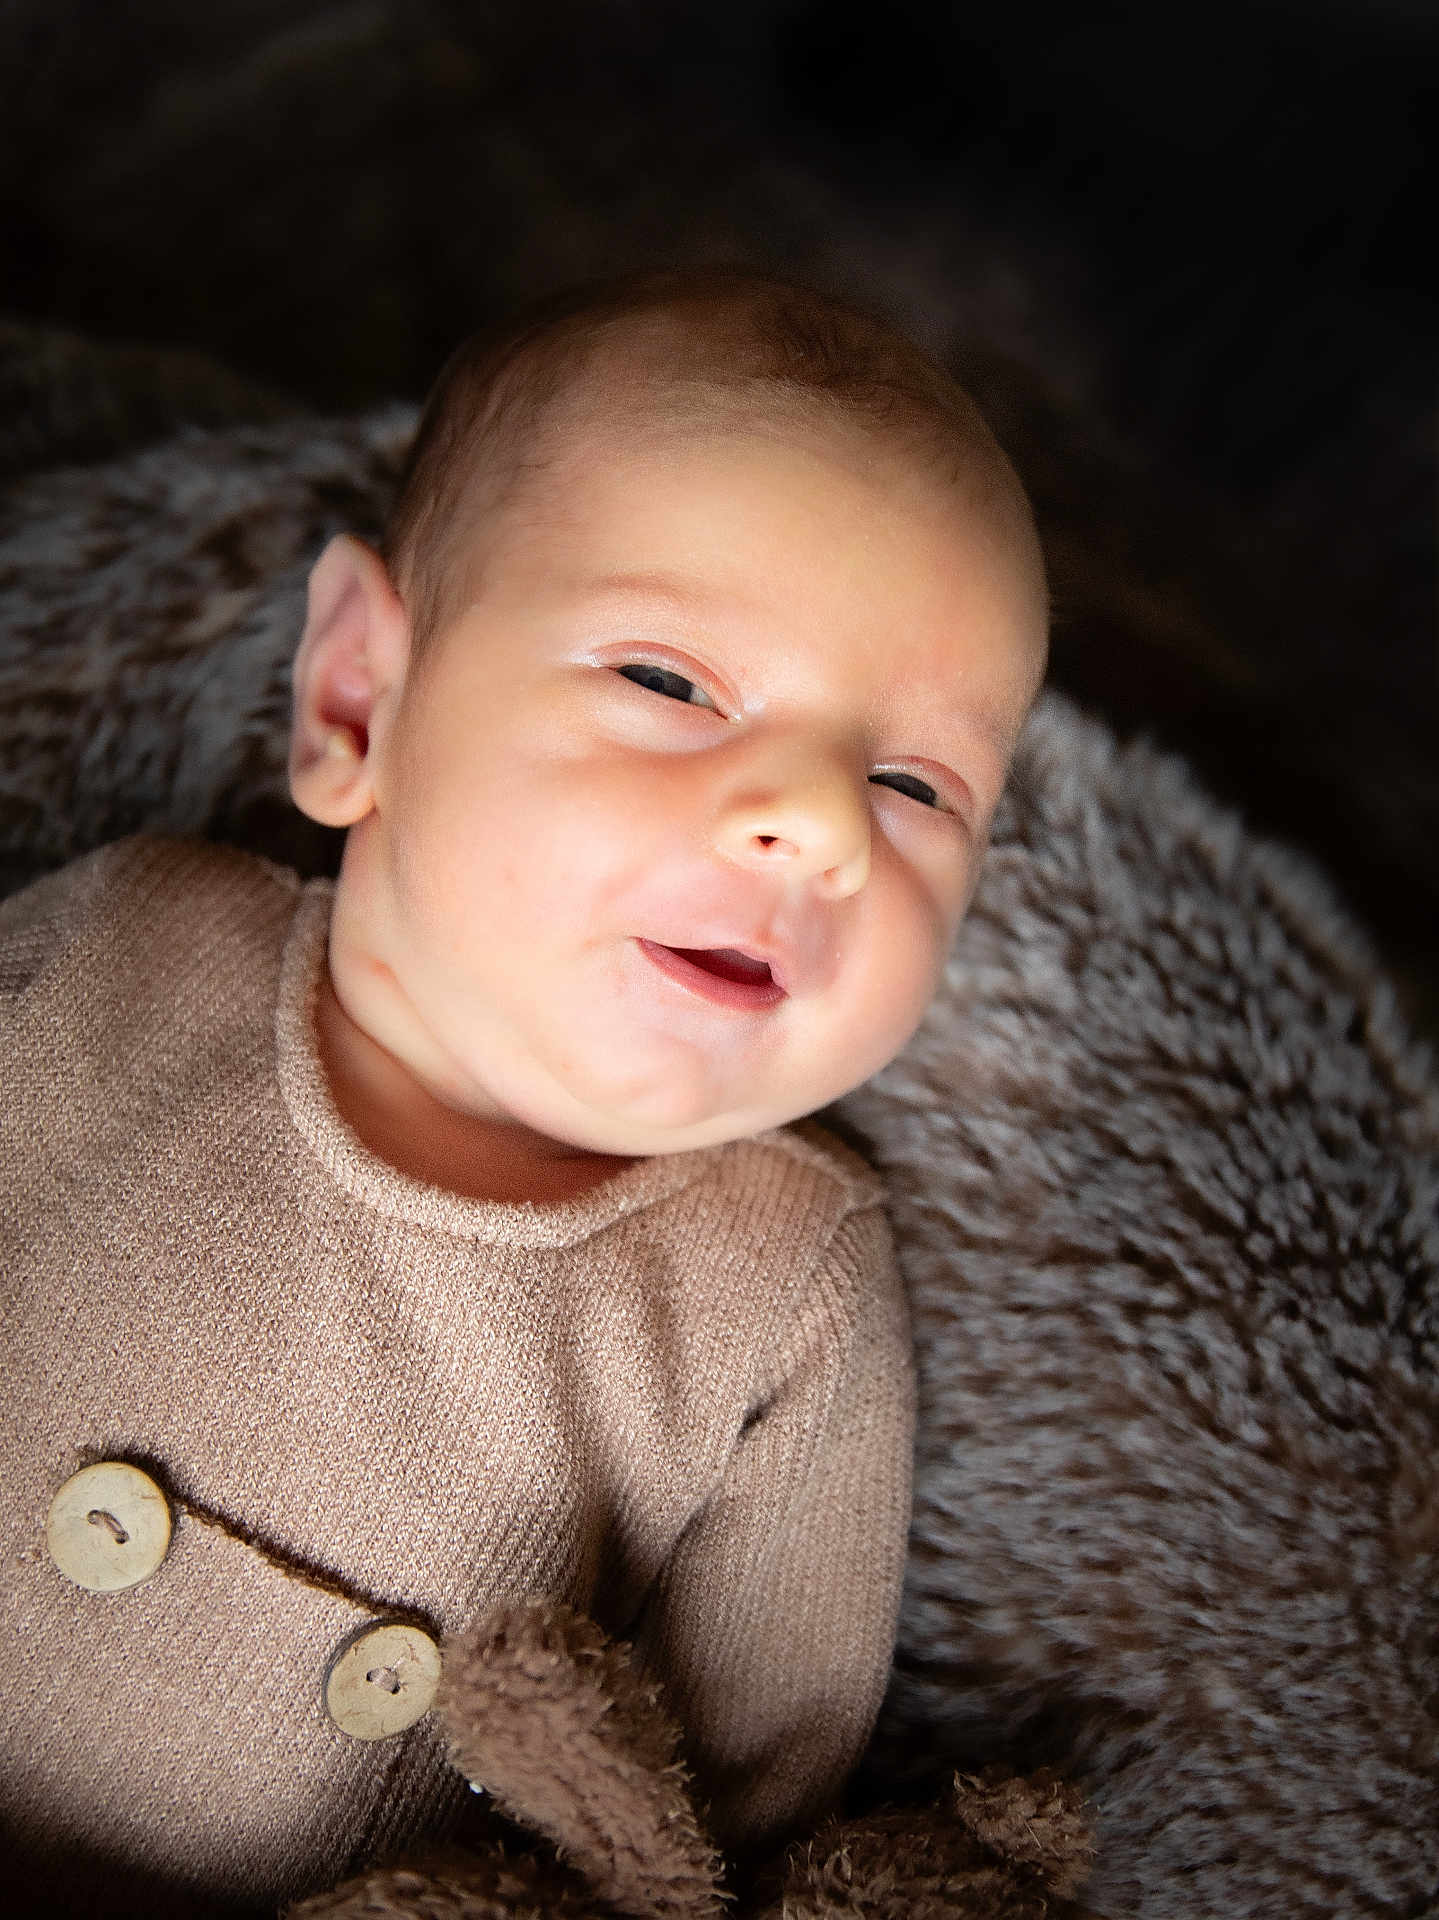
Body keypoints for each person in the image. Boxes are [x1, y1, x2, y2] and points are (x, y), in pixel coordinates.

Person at [0, 269, 1049, 1916]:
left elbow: (725, 1817)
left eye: (915, 785)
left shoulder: (786, 1294)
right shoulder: (130, 947)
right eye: (672, 684)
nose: (822, 828)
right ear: (361, 699)